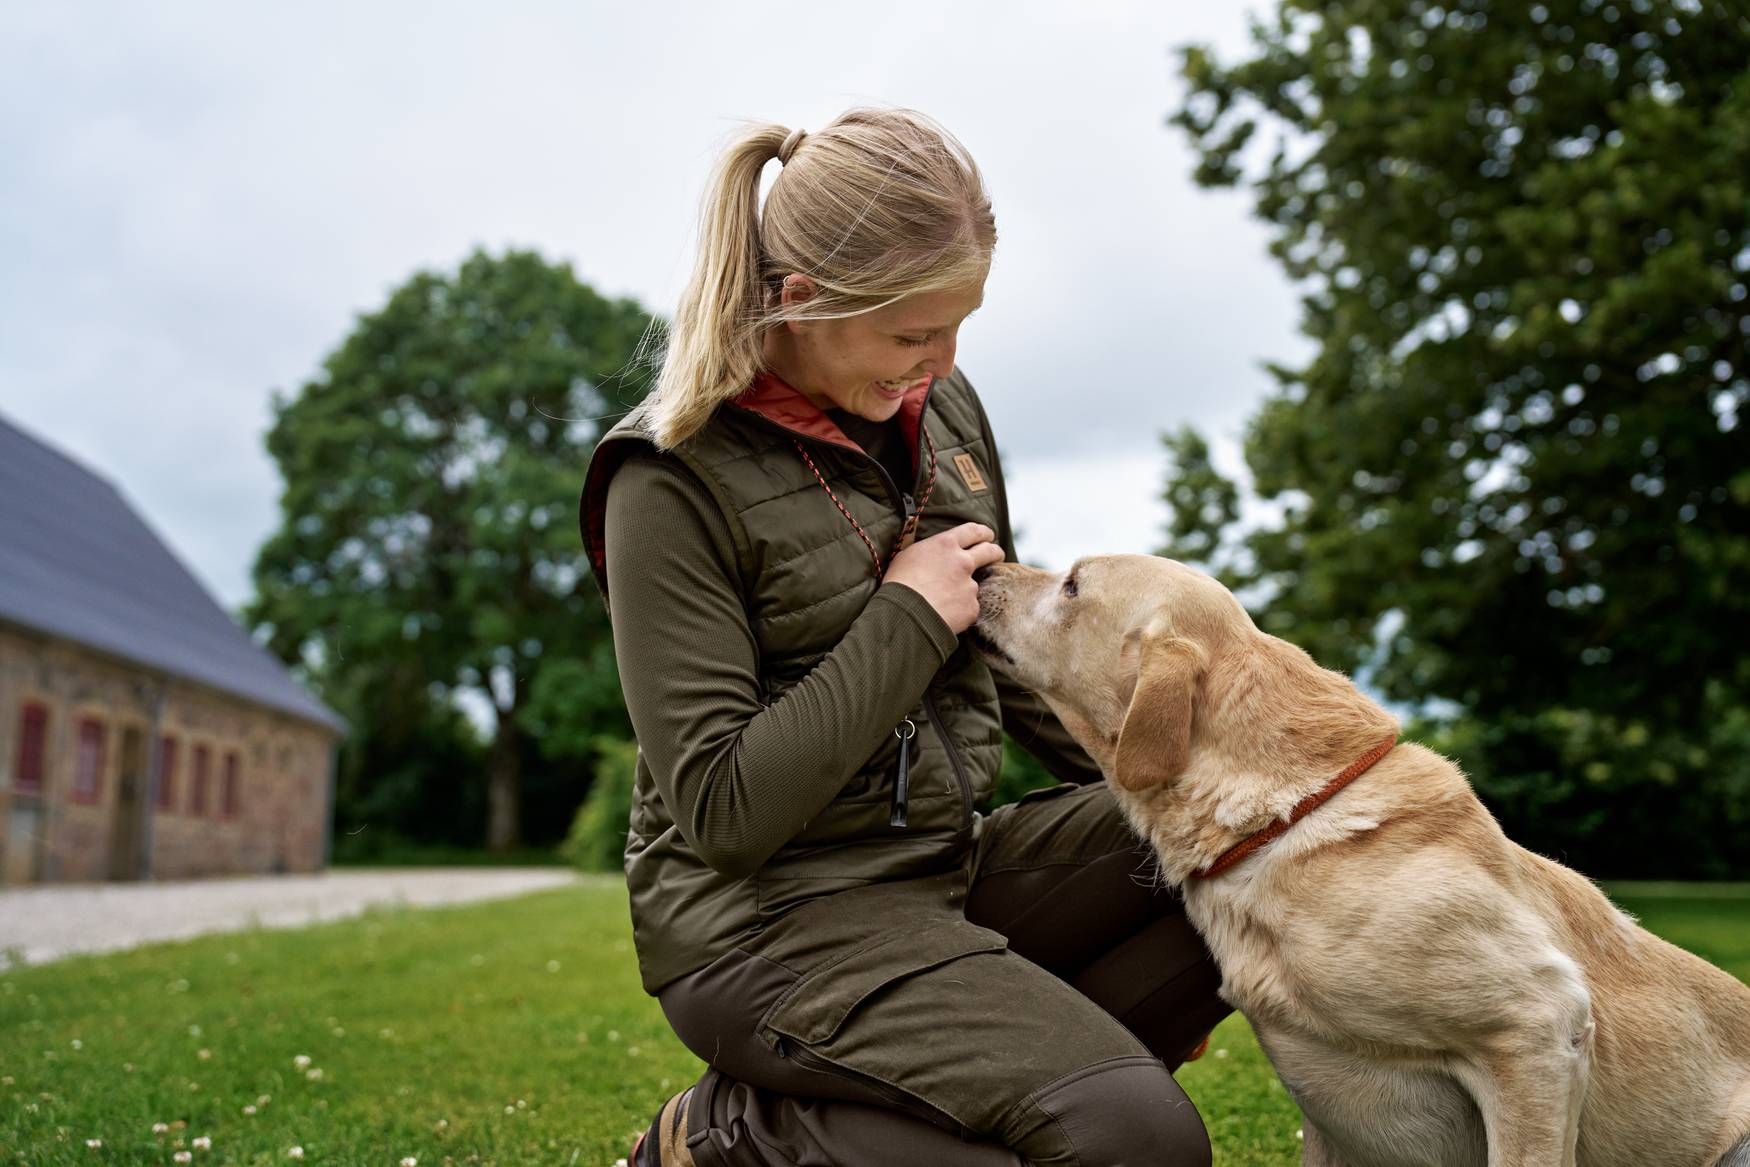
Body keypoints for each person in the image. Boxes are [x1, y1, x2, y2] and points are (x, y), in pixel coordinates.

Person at [579, 106, 1232, 1167]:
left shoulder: (942, 407)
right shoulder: (666, 479)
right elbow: (723, 813)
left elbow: (1006, 650)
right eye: (910, 334)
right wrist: (907, 614)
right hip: (765, 926)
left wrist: (1155, 792)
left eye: (958, 326)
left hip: (942, 873)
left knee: (1238, 846)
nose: (939, 361)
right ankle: (731, 1136)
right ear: (798, 299)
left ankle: (1020, 1083)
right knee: (1136, 1141)